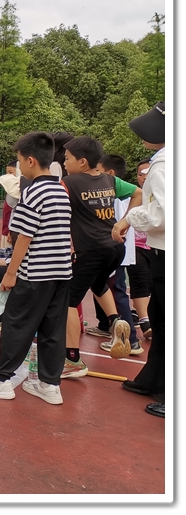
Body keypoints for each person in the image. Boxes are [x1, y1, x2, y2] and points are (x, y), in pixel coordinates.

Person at [0, 132, 72, 404]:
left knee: (17, 325)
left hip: (34, 273)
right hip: (61, 272)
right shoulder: (60, 189)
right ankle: (49, 385)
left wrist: (11, 273)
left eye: (20, 162)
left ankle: (1, 380)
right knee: (52, 330)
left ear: (31, 161)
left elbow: (25, 236)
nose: (20, 167)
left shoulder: (33, 191)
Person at [58, 136, 141, 378]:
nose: (64, 163)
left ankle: (72, 359)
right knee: (98, 283)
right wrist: (125, 222)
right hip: (115, 248)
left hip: (90, 250)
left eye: (67, 159)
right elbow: (138, 193)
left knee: (68, 301)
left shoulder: (68, 183)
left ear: (82, 162)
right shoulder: (109, 179)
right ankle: (116, 322)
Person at [112, 101, 165, 418]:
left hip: (168, 251)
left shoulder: (163, 165)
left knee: (169, 321)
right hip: (162, 251)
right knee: (160, 317)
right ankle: (153, 379)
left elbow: (163, 214)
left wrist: (129, 219)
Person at [86, 154, 144, 356]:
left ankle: (131, 341)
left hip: (113, 250)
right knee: (106, 289)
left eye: (98, 170)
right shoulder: (123, 195)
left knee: (117, 293)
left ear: (110, 173)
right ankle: (108, 327)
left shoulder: (115, 195)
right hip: (117, 250)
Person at [124, 159, 153, 338]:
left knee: (156, 283)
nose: (145, 177)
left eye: (148, 173)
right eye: (141, 174)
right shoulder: (133, 196)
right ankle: (145, 321)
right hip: (136, 246)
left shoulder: (163, 195)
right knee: (140, 279)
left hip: (157, 246)